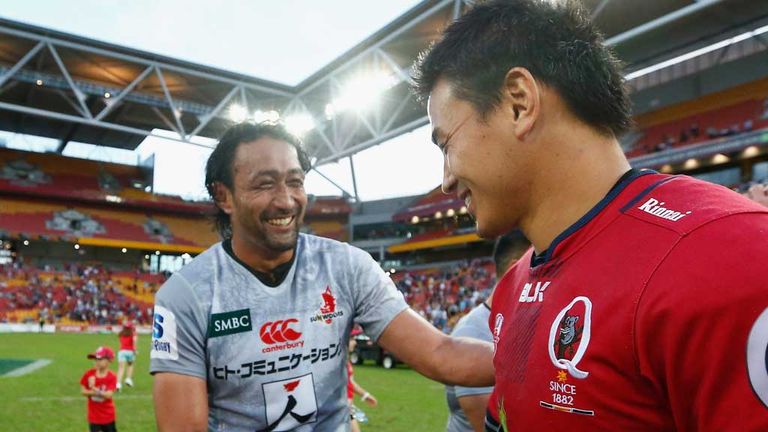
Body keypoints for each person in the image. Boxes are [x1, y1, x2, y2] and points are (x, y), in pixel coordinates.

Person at [413, 0, 768, 430]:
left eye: (445, 143)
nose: (446, 179)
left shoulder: (734, 258)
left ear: (518, 103)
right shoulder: (514, 287)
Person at [150, 122, 494, 432]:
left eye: (295, 181)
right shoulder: (185, 295)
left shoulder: (346, 267)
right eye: (265, 184)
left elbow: (439, 352)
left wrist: (538, 358)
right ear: (223, 195)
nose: (285, 201)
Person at [445, 232, 527, 432]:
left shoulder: (519, 325)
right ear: (515, 269)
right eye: (541, 262)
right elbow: (487, 426)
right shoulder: (473, 332)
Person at [80, 346, 118, 432]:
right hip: (94, 417)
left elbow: (109, 395)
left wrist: (94, 389)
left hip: (108, 416)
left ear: (109, 360)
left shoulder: (112, 377)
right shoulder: (89, 374)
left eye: (99, 359)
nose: (96, 362)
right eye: (95, 359)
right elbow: (83, 391)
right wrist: (91, 390)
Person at [347, 328, 377, 432]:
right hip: (341, 411)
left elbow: (350, 382)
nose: (354, 342)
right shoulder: (336, 364)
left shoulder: (345, 360)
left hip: (347, 410)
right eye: (351, 339)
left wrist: (365, 395)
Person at [116, 320, 137, 390]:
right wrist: (135, 350)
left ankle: (118, 384)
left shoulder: (121, 334)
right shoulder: (133, 334)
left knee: (121, 368)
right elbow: (134, 342)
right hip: (130, 352)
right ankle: (128, 379)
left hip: (122, 351)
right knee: (130, 365)